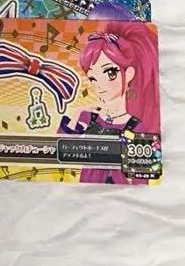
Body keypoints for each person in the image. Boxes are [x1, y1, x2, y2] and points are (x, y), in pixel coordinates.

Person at [59, 26, 160, 184]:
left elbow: (141, 181)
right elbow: (58, 151)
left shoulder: (136, 126)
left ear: (129, 74)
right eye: (93, 78)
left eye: (110, 73)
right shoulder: (88, 116)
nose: (100, 85)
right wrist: (76, 113)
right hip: (86, 191)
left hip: (120, 193)